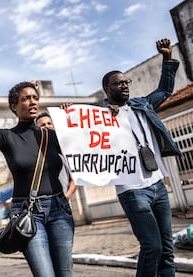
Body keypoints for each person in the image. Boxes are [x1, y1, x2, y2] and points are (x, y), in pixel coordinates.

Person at [0, 73, 74, 277]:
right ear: (14, 106)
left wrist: (71, 119)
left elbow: (84, 145)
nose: (32, 102)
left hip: (59, 211)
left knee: (65, 274)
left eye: (35, 97)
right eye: (25, 98)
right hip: (27, 213)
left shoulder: (53, 136)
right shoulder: (7, 137)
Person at [102, 38, 180, 277]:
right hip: (132, 190)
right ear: (107, 90)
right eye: (118, 83)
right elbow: (80, 132)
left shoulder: (142, 104)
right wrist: (106, 115)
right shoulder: (100, 117)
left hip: (157, 184)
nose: (124, 85)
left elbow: (165, 90)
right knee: (152, 246)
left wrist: (167, 57)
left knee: (167, 248)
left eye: (126, 81)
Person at [35, 111, 76, 201]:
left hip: (63, 205)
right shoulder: (34, 153)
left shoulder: (64, 151)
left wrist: (67, 196)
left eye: (49, 123)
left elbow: (73, 179)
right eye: (42, 125)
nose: (47, 126)